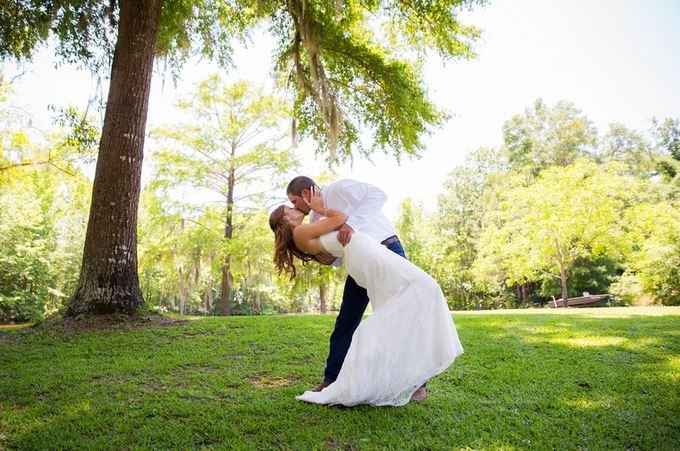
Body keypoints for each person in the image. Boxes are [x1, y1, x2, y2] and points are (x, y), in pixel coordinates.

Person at [269, 183, 463, 406]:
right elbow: (338, 226)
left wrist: (335, 220)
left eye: (293, 202)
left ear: (305, 193)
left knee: (409, 303)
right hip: (366, 259)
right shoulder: (304, 228)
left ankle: (415, 383)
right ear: (286, 220)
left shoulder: (336, 190)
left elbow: (376, 197)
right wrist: (323, 210)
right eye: (290, 208)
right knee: (361, 316)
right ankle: (333, 379)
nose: (295, 208)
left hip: (380, 250)